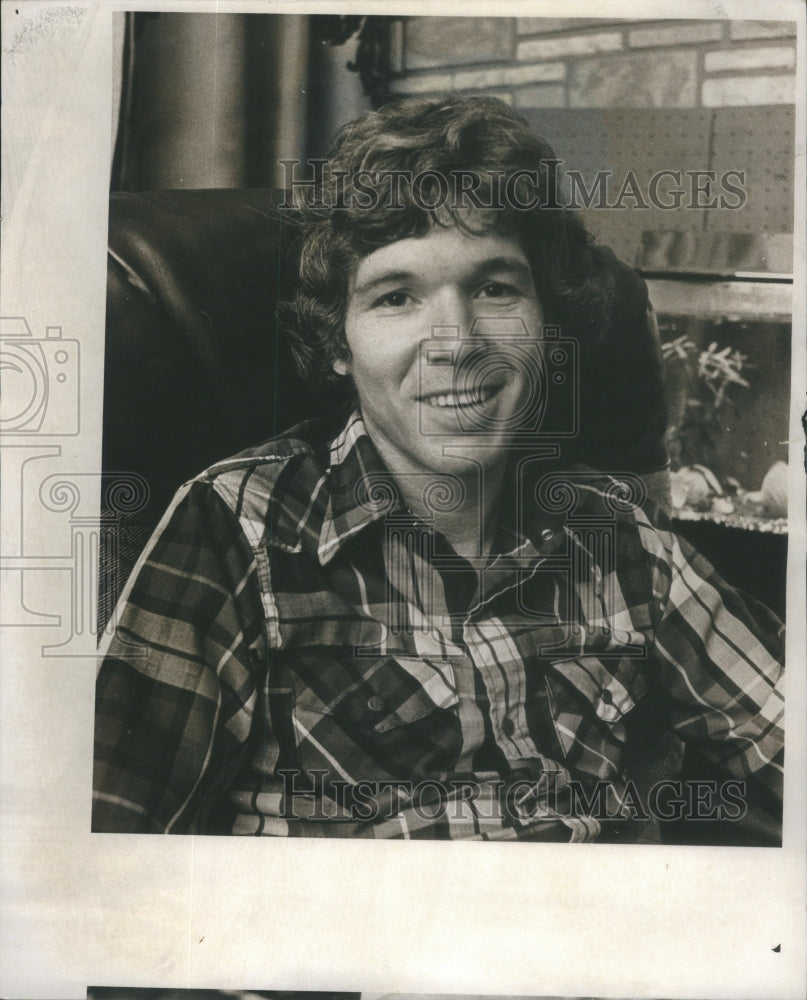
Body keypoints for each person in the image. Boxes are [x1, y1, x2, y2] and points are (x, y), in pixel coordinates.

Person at [92, 96, 784, 844]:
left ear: (547, 322)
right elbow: (111, 851)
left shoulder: (619, 537)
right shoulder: (237, 528)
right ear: (338, 343)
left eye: (494, 288)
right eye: (396, 297)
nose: (456, 342)